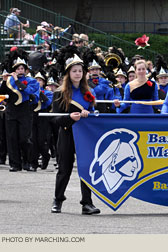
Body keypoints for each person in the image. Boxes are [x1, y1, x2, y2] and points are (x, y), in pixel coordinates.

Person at [51, 46, 100, 215]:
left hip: (85, 135)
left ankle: (87, 203)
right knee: (64, 168)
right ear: (68, 74)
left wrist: (89, 114)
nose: (78, 74)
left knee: (86, 168)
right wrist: (69, 117)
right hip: (67, 133)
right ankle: (58, 200)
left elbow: (96, 114)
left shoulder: (89, 92)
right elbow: (55, 119)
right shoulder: (60, 93)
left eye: (80, 71)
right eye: (74, 71)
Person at [0, 48, 39, 172]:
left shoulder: (32, 81)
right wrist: (4, 81)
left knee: (24, 138)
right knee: (11, 138)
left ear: (26, 69)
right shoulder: (9, 81)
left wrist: (16, 80)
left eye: (22, 68)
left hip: (25, 111)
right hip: (11, 111)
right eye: (17, 68)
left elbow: (28, 92)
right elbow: (2, 93)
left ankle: (27, 161)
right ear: (14, 70)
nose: (20, 70)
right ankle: (15, 164)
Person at [30, 71, 53, 170]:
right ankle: (33, 164)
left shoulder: (48, 92)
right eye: (36, 80)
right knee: (32, 140)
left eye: (40, 80)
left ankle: (45, 155)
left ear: (44, 83)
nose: (38, 82)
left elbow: (48, 103)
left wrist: (39, 92)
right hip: (32, 115)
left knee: (40, 140)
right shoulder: (30, 91)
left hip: (43, 116)